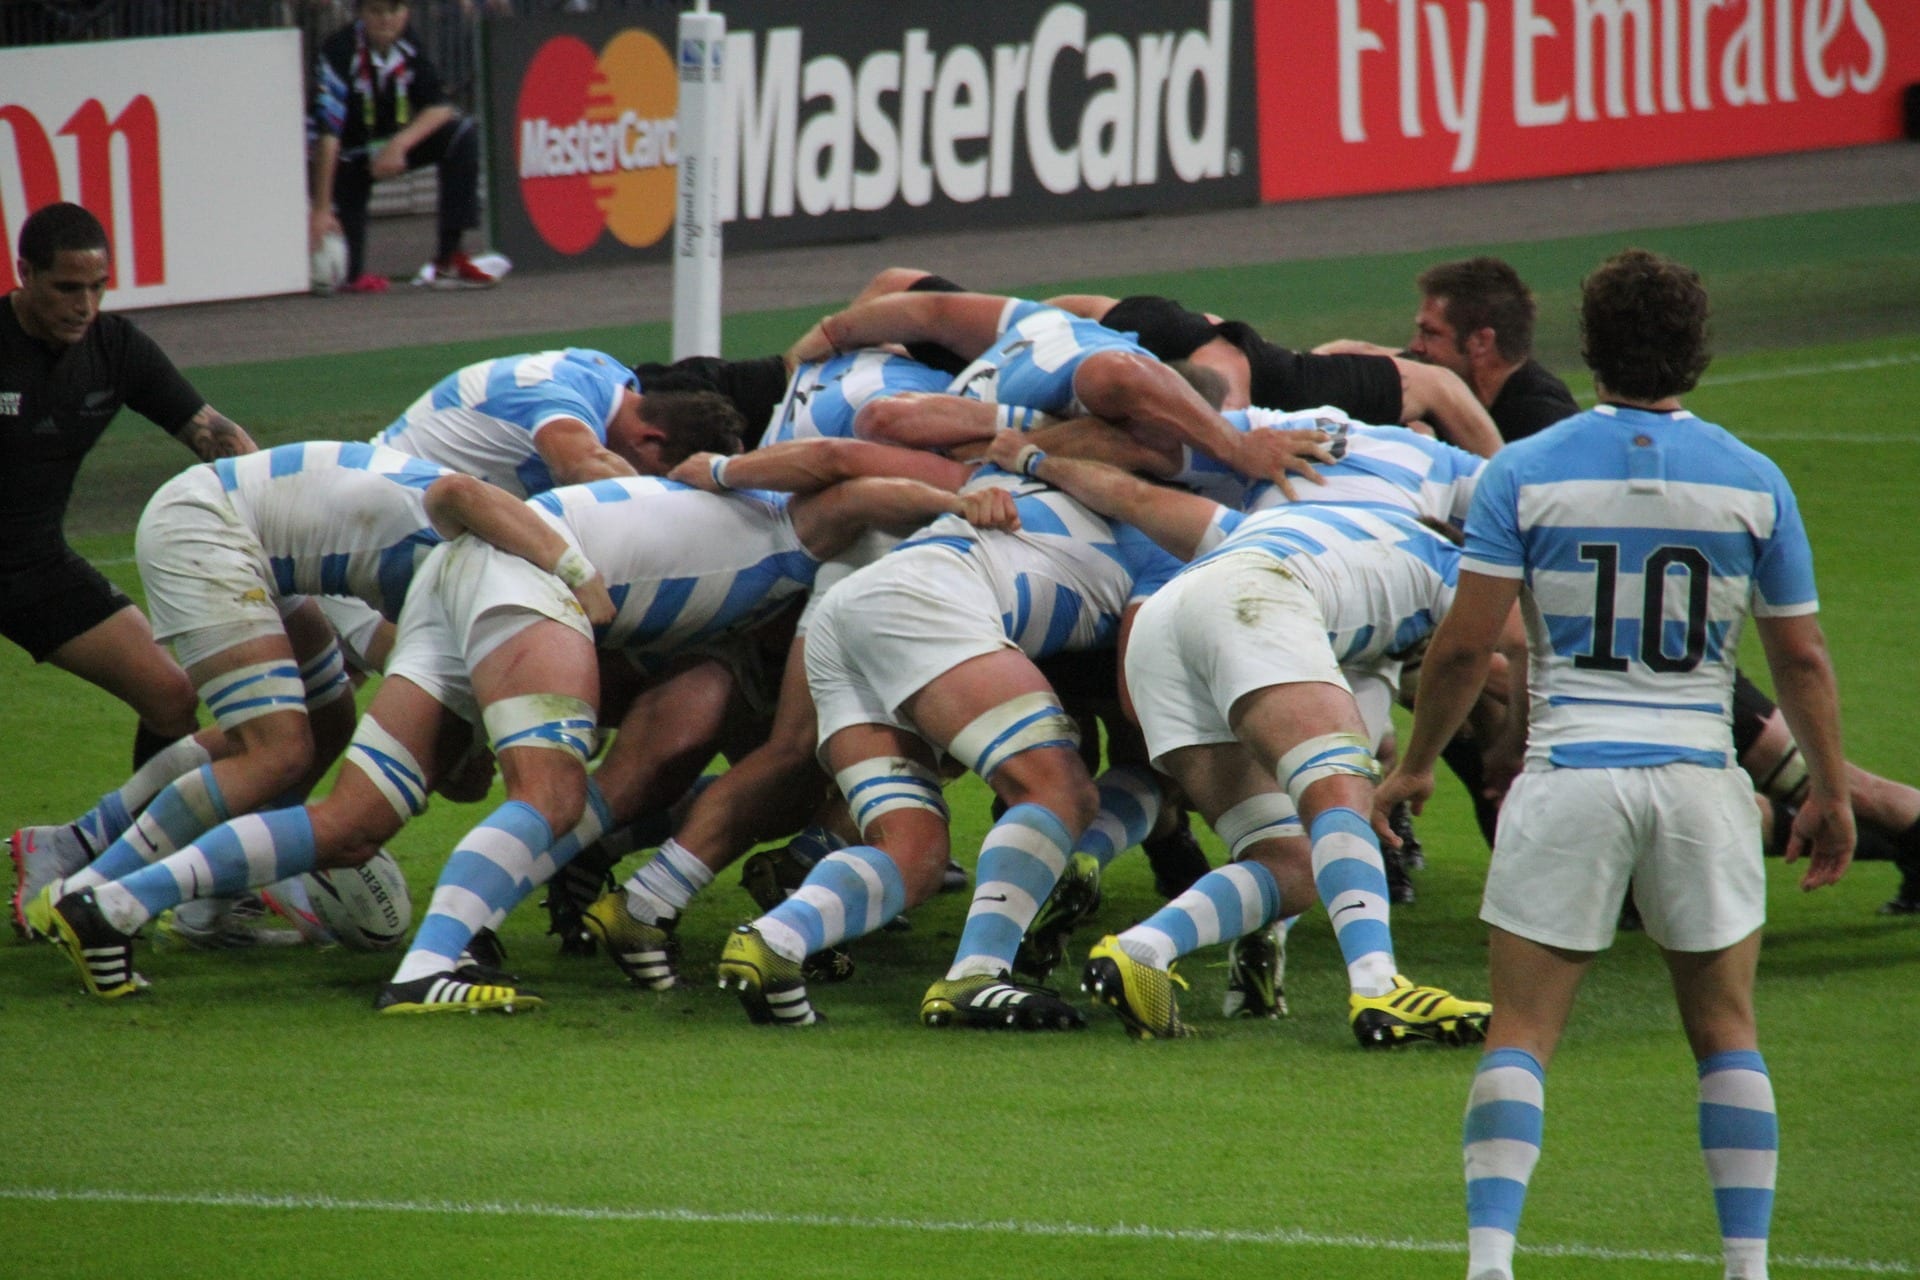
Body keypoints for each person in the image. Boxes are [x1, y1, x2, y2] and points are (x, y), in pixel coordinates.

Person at [1371, 249, 1854, 1280]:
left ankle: (1491, 1261)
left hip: (1571, 775)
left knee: (1522, 1031)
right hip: (1698, 780)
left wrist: (1416, 765)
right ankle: (1746, 1263)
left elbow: (1464, 645)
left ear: (1589, 347)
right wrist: (1831, 789)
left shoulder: (1525, 471)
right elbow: (1800, 655)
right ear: (1699, 349)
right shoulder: (1754, 480)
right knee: (1726, 1031)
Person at [984, 433, 1496, 1045]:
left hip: (1165, 623)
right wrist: (1416, 766)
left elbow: (1132, 495)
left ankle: (1145, 949)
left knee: (1291, 860)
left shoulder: (1299, 526)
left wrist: (1030, 458)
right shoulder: (1447, 560)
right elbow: (1490, 648)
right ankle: (1380, 988)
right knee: (1338, 797)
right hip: (1256, 598)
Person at [24, 440, 591, 993]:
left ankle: (202, 911)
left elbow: (404, 664)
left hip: (249, 537)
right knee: (274, 749)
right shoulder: (473, 557)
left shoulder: (451, 556)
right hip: (208, 528)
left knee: (327, 721)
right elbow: (457, 507)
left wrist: (468, 740)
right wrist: (578, 579)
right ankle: (88, 892)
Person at [4, 202, 259, 932]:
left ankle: (114, 867)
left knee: (174, 700)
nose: (84, 305)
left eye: (98, 287)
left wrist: (271, 495)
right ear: (23, 275)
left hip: (35, 569)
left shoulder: (115, 350)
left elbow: (211, 431)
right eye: (65, 288)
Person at [308, 0, 496, 293]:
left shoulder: (409, 42)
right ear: (361, 14)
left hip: (384, 149)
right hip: (342, 159)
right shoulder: (339, 50)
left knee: (462, 134)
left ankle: (448, 261)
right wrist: (320, 209)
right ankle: (344, 265)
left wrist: (399, 144)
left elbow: (440, 107)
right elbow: (327, 134)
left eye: (393, 12)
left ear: (406, 12)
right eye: (376, 12)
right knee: (345, 276)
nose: (386, 21)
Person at [1317, 256, 1580, 442]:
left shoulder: (1542, 424)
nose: (1415, 345)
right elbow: (1353, 351)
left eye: (1430, 333)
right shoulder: (1442, 376)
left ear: (1480, 342)